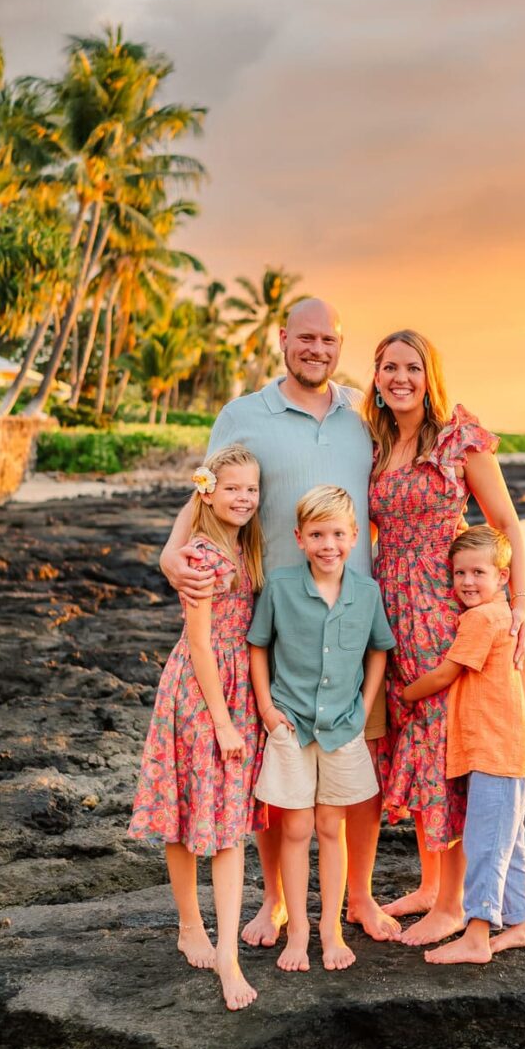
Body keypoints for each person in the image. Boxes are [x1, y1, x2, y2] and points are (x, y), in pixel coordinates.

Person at [159, 298, 400, 945]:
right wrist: (166, 553)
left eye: (329, 338)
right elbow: (203, 492)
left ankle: (361, 899)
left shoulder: (362, 413)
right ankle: (275, 903)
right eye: (306, 337)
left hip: (350, 613)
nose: (316, 348)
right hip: (272, 621)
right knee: (276, 771)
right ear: (283, 338)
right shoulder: (242, 415)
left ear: (339, 345)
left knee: (359, 761)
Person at [366, 330, 525, 947]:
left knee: (445, 749)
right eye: (388, 367)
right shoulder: (377, 442)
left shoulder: (459, 437)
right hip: (390, 607)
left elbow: (505, 523)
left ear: (429, 375)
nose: (399, 377)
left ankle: (455, 903)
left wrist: (518, 605)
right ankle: (431, 886)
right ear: (376, 377)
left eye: (411, 366)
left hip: (443, 608)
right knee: (412, 743)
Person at [128, 444, 264, 1012]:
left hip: (239, 688)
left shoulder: (246, 544)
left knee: (230, 824)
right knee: (186, 814)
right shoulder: (202, 556)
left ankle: (226, 949)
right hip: (201, 690)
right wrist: (225, 722)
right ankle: (191, 926)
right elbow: (203, 644)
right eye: (232, 489)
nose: (245, 499)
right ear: (209, 493)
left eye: (252, 490)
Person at [247, 485, 395, 972]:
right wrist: (268, 709)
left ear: (355, 536)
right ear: (300, 538)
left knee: (331, 826)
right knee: (295, 826)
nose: (328, 544)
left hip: (342, 727)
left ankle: (330, 929)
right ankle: (299, 932)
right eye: (317, 534)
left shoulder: (367, 592)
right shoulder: (281, 586)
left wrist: (365, 703)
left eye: (337, 534)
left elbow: (379, 649)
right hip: (291, 724)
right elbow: (258, 647)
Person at [400, 525, 525, 965]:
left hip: (495, 748)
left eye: (479, 572)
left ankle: (477, 935)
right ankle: (520, 924)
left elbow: (445, 674)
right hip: (509, 745)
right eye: (459, 573)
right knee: (507, 839)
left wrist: (404, 694)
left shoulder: (482, 619)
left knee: (483, 843)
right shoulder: (501, 615)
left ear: (503, 578)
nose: (466, 582)